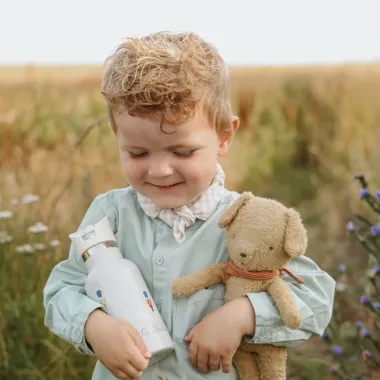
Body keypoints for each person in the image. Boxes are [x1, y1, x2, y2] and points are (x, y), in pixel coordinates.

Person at [43, 31, 336, 380]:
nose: (160, 170)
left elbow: (316, 297)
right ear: (117, 138)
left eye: (182, 152)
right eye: (137, 153)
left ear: (224, 136)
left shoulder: (249, 220)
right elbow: (62, 291)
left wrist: (243, 314)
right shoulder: (111, 215)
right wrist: (94, 325)